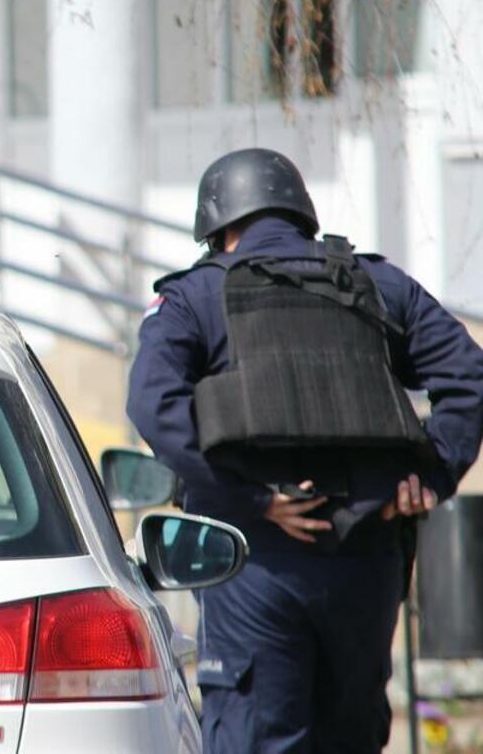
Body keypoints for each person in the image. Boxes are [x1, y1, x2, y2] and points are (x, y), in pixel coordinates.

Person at [126, 148, 483, 753]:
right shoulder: (378, 283)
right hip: (367, 556)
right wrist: (431, 474)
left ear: (220, 229)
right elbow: (467, 374)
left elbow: (153, 405)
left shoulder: (196, 294)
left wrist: (251, 499)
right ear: (300, 215)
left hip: (254, 561)